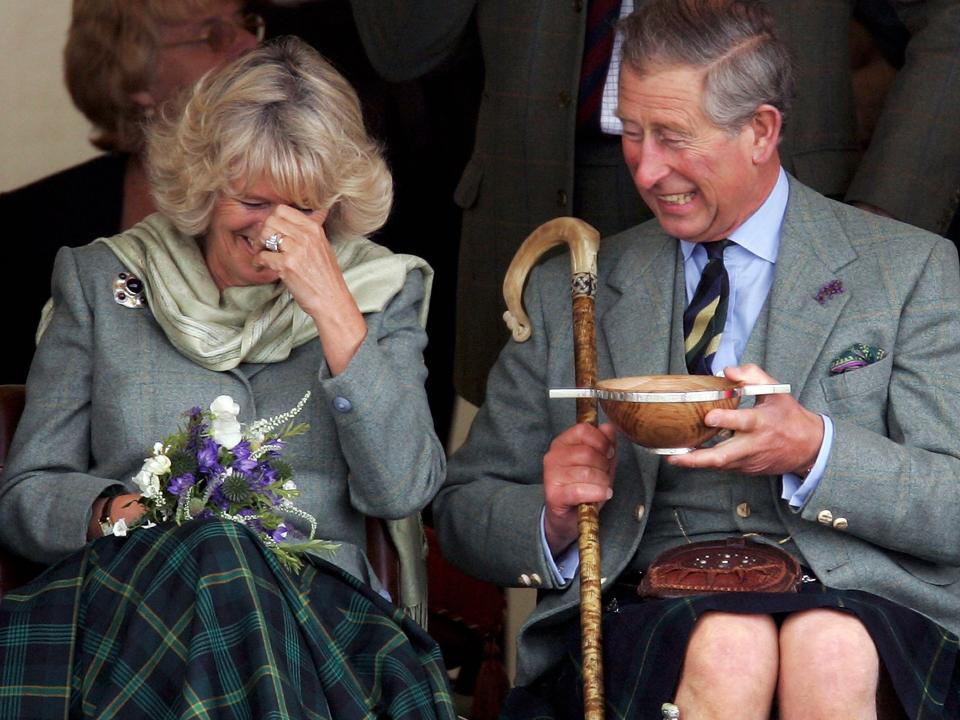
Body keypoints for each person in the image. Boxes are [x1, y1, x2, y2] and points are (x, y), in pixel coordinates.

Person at [433, 1, 960, 718]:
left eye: (675, 138)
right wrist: (551, 516)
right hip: (651, 594)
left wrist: (818, 451)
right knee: (730, 644)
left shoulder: (910, 269)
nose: (647, 171)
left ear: (761, 131)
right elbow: (464, 510)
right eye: (633, 133)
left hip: (862, 594)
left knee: (831, 647)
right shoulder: (576, 289)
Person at [0, 37, 455, 718]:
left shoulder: (376, 294)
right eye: (251, 200)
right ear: (204, 183)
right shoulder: (103, 282)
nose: (275, 232)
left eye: (304, 208)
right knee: (216, 554)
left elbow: (404, 488)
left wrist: (334, 307)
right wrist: (116, 514)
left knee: (232, 566)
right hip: (133, 615)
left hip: (318, 628)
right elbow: (27, 495)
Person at [346, 0, 960, 407]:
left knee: (790, 511)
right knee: (575, 512)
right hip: (539, 209)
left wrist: (884, 215)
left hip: (769, 206)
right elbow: (402, 47)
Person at [0, 0, 262, 384]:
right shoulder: (19, 230)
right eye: (214, 35)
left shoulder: (317, 205)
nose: (250, 46)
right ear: (135, 75)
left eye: (246, 24)